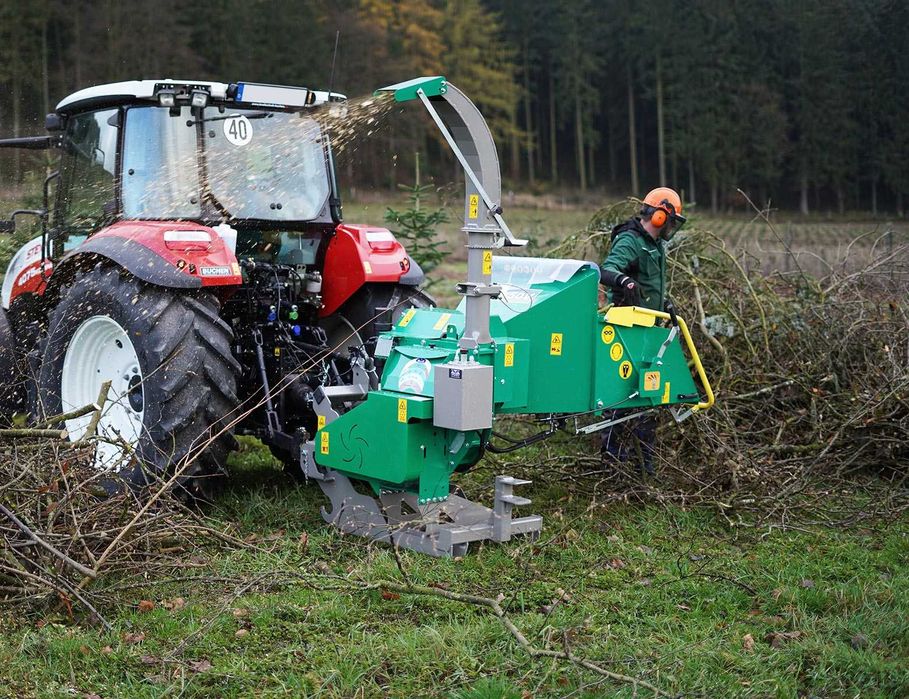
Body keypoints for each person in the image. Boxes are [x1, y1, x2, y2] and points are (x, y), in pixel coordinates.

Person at [598, 187, 686, 476]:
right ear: (659, 215)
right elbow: (605, 270)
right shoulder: (631, 240)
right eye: (671, 220)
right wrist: (624, 282)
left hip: (649, 328)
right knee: (622, 395)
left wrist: (664, 302)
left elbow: (652, 282)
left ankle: (643, 465)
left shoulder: (656, 245)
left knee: (647, 394)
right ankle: (613, 462)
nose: (671, 227)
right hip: (627, 328)